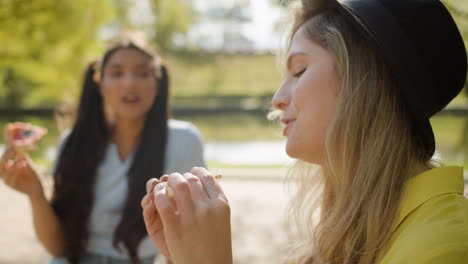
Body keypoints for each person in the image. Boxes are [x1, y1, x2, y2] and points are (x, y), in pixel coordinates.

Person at [141, 0, 468, 263]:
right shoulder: (357, 230)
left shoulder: (444, 247)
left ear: (365, 81)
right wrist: (186, 254)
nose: (278, 99)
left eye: (299, 70)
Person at [1, 36, 206, 264]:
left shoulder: (184, 141)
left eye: (142, 73)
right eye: (117, 73)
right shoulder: (74, 143)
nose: (129, 83)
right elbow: (58, 247)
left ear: (157, 82)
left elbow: (188, 237)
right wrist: (35, 193)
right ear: (100, 84)